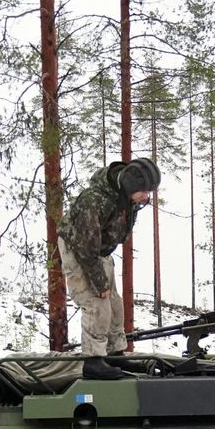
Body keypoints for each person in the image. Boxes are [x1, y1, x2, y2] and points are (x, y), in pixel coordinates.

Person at [58, 157, 161, 379]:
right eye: (144, 190)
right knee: (96, 302)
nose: (147, 196)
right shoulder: (95, 201)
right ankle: (93, 361)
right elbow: (85, 247)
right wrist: (98, 281)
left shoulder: (124, 198)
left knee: (114, 304)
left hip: (99, 249)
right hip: (79, 248)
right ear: (132, 184)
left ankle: (115, 354)